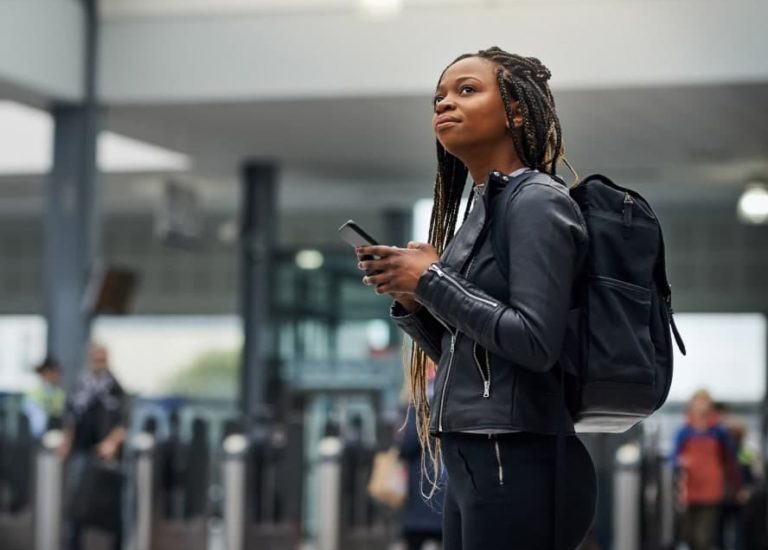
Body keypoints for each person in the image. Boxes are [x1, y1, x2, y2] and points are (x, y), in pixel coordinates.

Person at [356, 47, 596, 549]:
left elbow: (534, 341)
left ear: (515, 111)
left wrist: (434, 280)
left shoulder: (536, 201)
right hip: (477, 456)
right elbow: (469, 354)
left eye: (467, 90)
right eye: (439, 96)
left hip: (517, 459)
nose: (445, 103)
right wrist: (417, 299)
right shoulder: (483, 212)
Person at [58, 343, 127, 550]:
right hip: (81, 452)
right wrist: (66, 443)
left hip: (107, 455)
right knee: (78, 504)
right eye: (95, 359)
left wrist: (111, 442)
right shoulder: (81, 387)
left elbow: (125, 421)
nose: (99, 363)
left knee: (112, 506)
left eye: (102, 359)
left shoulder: (115, 388)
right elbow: (71, 417)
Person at [673, 389, 741, 550]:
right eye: (698, 401)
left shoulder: (719, 431)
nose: (701, 406)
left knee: (703, 539)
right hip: (689, 491)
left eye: (704, 401)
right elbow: (674, 457)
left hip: (712, 491)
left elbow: (731, 460)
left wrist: (737, 487)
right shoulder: (684, 430)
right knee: (689, 537)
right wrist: (681, 463)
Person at [398, 363, 443, 550]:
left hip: (423, 487)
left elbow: (407, 445)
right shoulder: (454, 395)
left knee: (416, 539)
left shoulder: (420, 402)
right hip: (450, 486)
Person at [23, 357, 66, 439]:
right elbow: (37, 425)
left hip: (57, 435)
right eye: (53, 372)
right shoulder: (34, 393)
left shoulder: (60, 394)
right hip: (41, 438)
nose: (56, 376)